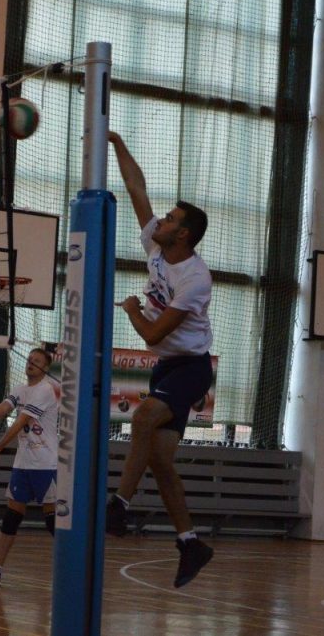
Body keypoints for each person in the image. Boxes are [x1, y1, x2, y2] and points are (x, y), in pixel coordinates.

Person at [104, 131, 215, 589]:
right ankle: (191, 542)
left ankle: (118, 505)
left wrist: (132, 308)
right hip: (169, 366)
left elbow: (152, 335)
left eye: (168, 219)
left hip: (191, 367)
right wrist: (117, 143)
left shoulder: (195, 278)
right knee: (161, 461)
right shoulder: (157, 248)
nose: (159, 221)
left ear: (182, 234)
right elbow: (137, 189)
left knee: (145, 416)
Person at [0, 348, 59, 588]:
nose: (31, 363)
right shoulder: (21, 389)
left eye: (37, 361)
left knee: (53, 521)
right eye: (30, 359)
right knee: (11, 516)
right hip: (23, 464)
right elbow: (5, 407)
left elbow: (21, 421)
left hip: (45, 464)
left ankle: (72, 565)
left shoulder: (45, 390)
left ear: (46, 368)